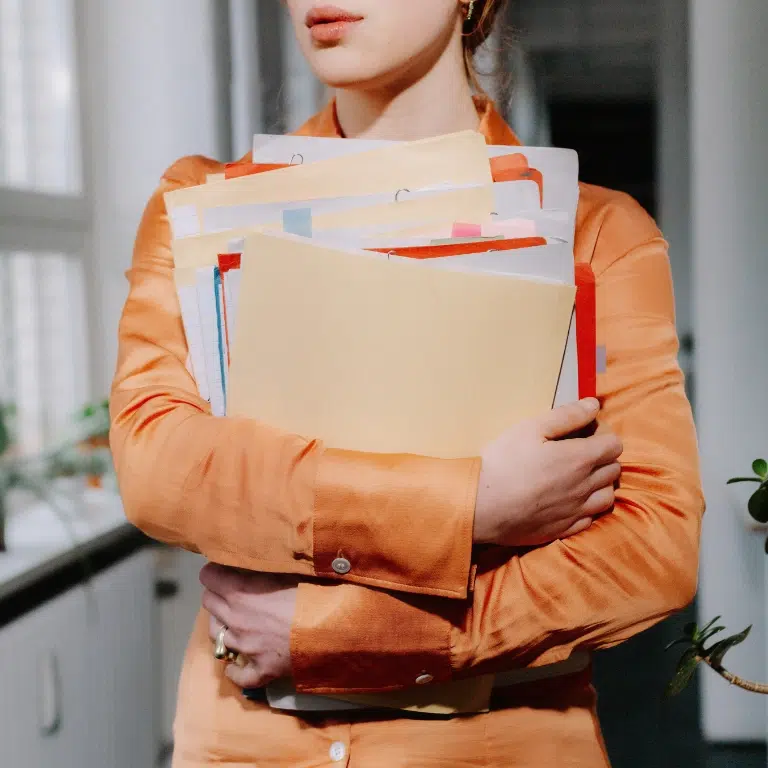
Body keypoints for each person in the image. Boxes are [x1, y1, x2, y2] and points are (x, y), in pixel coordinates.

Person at [110, 0, 704, 765]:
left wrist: (340, 634)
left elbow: (653, 550)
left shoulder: (601, 233)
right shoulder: (194, 204)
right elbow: (159, 467)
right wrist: (472, 505)